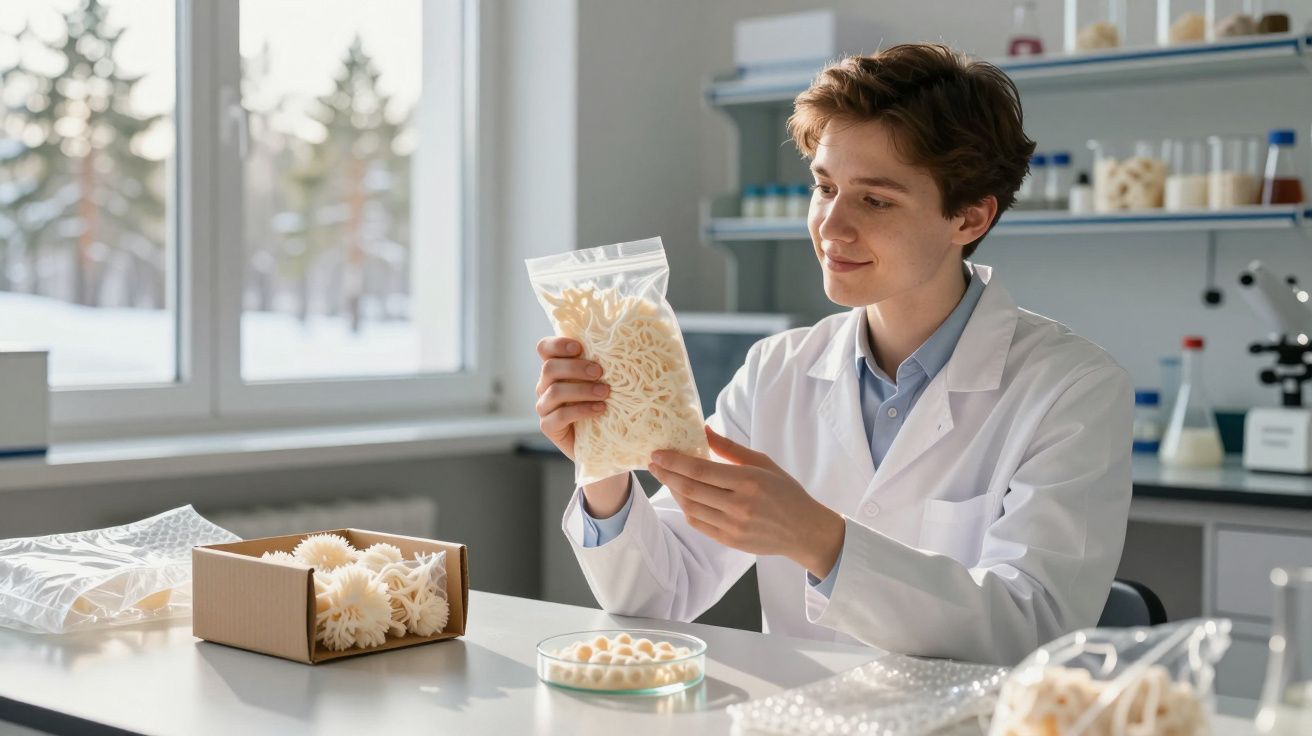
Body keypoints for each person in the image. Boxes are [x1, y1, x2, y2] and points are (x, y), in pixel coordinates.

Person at [533, 43, 1132, 666]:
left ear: (970, 217)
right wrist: (602, 457)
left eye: (876, 200)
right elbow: (658, 598)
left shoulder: (1073, 389)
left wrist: (819, 540)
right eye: (824, 187)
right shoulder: (777, 371)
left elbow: (1032, 630)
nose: (831, 226)